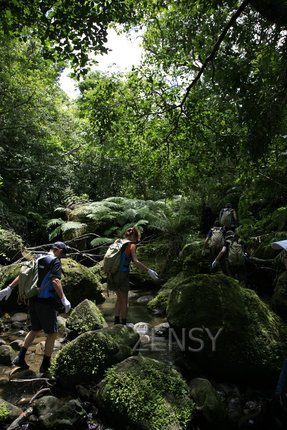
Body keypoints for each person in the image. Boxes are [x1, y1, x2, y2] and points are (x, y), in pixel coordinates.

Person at [0, 241, 71, 373]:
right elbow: (55, 280)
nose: (61, 258)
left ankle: (20, 357)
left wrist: (9, 287)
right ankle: (45, 365)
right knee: (53, 333)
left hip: (33, 300)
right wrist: (63, 298)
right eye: (62, 255)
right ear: (60, 251)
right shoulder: (55, 261)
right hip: (46, 302)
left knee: (35, 329)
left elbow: (23, 274)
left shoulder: (38, 258)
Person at [110, 227, 158, 326]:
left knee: (119, 298)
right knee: (125, 300)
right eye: (137, 238)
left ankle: (116, 322)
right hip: (123, 274)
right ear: (133, 236)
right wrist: (149, 270)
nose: (137, 241)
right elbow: (136, 261)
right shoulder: (131, 246)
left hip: (113, 273)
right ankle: (123, 323)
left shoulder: (118, 243)